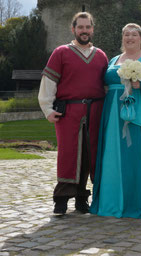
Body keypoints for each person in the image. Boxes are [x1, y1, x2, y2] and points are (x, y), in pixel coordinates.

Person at [90, 23, 141, 218]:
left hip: (137, 117)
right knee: (111, 156)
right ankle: (110, 201)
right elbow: (104, 81)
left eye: (134, 34)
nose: (130, 38)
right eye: (126, 34)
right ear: (122, 38)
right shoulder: (114, 59)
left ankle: (137, 202)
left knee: (136, 157)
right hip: (112, 115)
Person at [38, 12, 108, 215]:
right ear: (73, 29)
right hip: (68, 112)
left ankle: (81, 198)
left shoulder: (101, 55)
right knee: (68, 154)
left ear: (93, 29)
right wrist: (47, 109)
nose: (84, 31)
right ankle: (61, 199)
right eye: (80, 27)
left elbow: (106, 87)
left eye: (88, 27)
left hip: (96, 111)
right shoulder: (61, 52)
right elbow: (49, 82)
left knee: (91, 154)